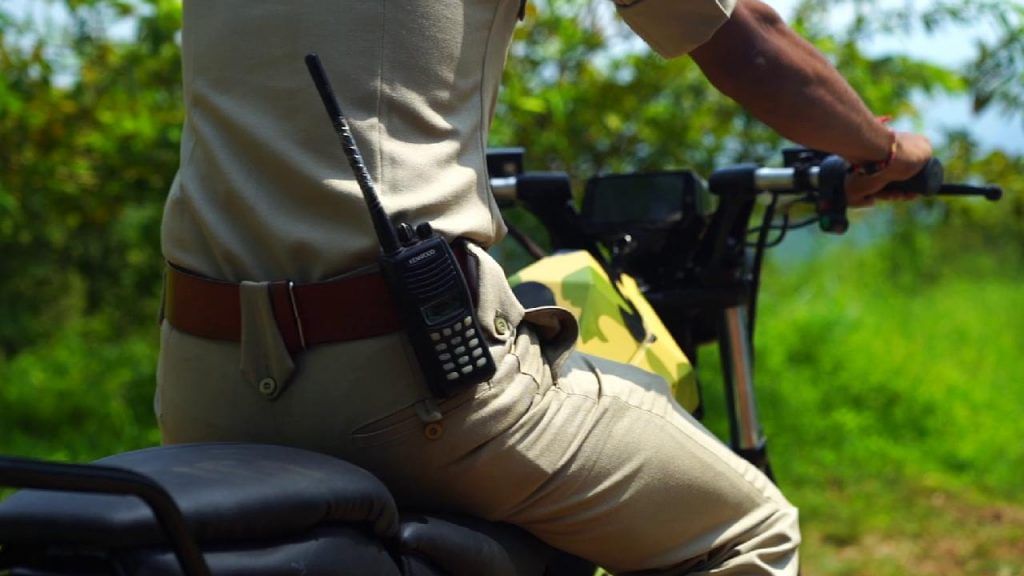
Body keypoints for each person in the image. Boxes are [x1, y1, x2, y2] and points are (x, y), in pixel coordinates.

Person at [156, 0, 932, 573]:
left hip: (200, 384)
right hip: (409, 381)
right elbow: (746, 41)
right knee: (750, 528)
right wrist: (884, 146)